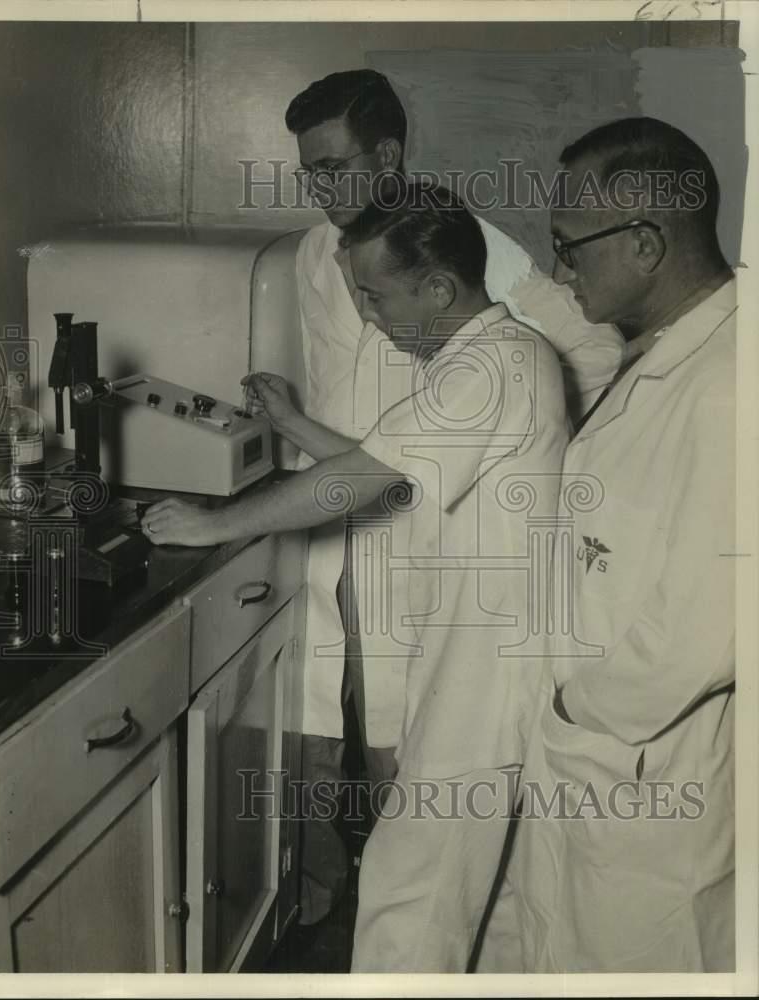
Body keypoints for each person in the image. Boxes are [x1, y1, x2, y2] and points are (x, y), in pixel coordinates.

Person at [141, 186, 569, 970]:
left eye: (374, 294)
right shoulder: (484, 357)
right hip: (485, 654)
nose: (367, 315)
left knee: (414, 890)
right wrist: (294, 423)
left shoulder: (494, 365)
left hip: (491, 670)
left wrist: (211, 525)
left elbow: (358, 482)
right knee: (487, 899)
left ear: (438, 288)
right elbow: (394, 466)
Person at [277, 68, 624, 926]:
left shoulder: (465, 243)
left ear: (388, 154)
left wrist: (518, 443)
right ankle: (323, 914)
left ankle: (408, 924)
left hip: (426, 525)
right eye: (308, 173)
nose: (320, 190)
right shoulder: (311, 255)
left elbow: (592, 347)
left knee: (418, 765)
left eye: (333, 168)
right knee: (325, 729)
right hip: (331, 519)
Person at [503, 117, 736, 972]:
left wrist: (582, 711)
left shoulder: (729, 382)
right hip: (602, 757)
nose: (560, 270)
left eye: (568, 246)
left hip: (643, 759)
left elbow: (709, 625)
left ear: (644, 242)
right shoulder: (665, 348)